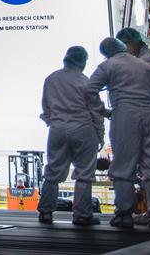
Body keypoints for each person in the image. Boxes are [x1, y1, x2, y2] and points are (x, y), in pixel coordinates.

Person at [87, 37, 150, 230]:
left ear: (106, 52)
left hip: (125, 116)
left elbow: (89, 90)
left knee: (123, 167)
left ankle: (124, 215)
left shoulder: (107, 66)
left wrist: (104, 111)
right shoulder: (146, 66)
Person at [36, 45, 103, 226]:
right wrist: (100, 134)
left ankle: (46, 212)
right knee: (84, 173)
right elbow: (95, 110)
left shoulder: (51, 79)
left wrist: (53, 122)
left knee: (52, 172)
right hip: (82, 128)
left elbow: (46, 107)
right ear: (82, 62)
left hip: (57, 129)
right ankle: (82, 215)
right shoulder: (86, 81)